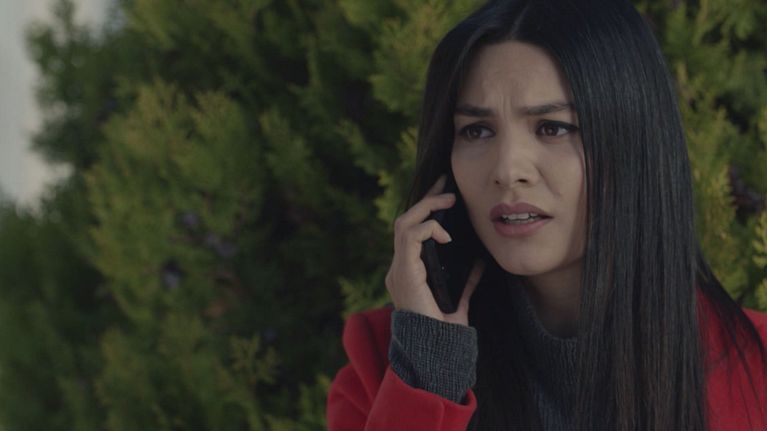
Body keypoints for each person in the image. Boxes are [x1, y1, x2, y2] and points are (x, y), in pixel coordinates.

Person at [326, 0, 767, 429]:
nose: (507, 170)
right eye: (476, 131)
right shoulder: (389, 367)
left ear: (635, 146)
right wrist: (431, 374)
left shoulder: (756, 372)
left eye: (553, 128)